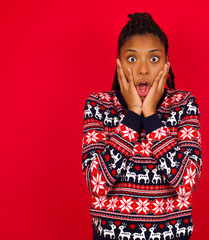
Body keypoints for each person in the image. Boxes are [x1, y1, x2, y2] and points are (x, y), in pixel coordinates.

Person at [82, 12, 202, 240]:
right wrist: (133, 113)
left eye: (154, 59)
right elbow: (97, 183)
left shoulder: (184, 104)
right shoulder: (98, 105)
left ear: (167, 64)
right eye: (132, 59)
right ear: (119, 63)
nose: (143, 69)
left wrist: (151, 116)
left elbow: (186, 183)